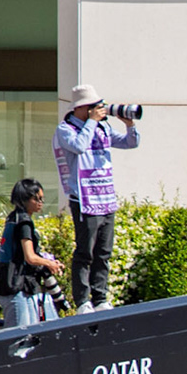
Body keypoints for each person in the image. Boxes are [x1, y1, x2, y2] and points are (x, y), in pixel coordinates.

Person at [53, 82, 140, 313]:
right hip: (83, 199)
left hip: (105, 199)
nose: (99, 110)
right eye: (94, 106)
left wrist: (129, 125)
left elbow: (130, 143)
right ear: (82, 108)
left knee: (103, 252)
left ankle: (100, 298)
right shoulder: (66, 129)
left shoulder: (102, 128)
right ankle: (83, 301)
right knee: (85, 252)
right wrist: (91, 121)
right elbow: (79, 146)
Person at [0, 178, 64, 328]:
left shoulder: (14, 217)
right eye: (36, 198)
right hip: (15, 285)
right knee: (20, 335)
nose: (41, 202)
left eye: (42, 198)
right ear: (24, 199)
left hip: (10, 281)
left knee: (28, 333)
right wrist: (49, 263)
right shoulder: (24, 222)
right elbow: (30, 256)